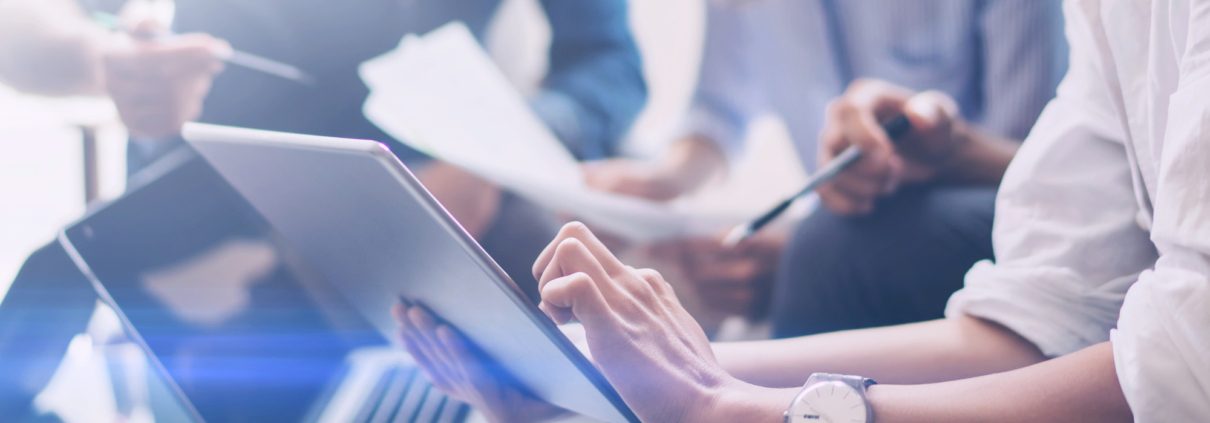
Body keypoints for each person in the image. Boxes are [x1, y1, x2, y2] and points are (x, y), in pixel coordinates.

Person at [396, 0, 1210, 420]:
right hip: (981, 236)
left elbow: (1182, 363)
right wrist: (617, 375)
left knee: (834, 247)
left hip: (938, 214)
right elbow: (1039, 316)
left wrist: (735, 411)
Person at [0, 0, 648, 300]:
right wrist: (101, 59)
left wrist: (494, 158)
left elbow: (608, 61)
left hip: (424, 204)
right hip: (195, 223)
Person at [584, 0, 1064, 335]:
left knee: (823, 252)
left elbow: (1046, 167)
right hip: (837, 215)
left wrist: (943, 151)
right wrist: (665, 179)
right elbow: (719, 105)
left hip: (996, 205)